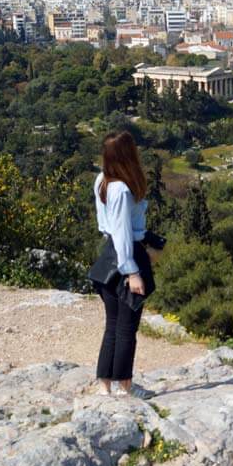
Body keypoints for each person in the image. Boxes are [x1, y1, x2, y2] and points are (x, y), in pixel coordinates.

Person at [88, 131, 155, 397]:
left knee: (113, 324)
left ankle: (105, 383)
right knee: (127, 327)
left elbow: (107, 227)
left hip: (108, 256)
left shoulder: (101, 181)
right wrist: (133, 272)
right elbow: (122, 232)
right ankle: (125, 386)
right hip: (126, 256)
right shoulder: (123, 190)